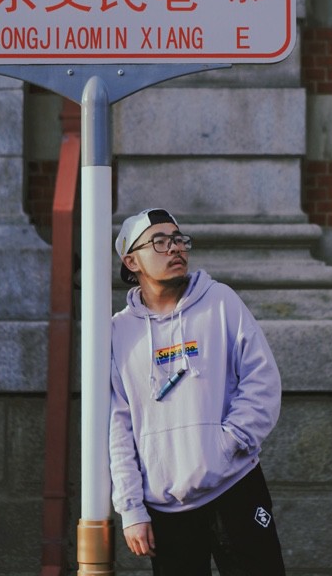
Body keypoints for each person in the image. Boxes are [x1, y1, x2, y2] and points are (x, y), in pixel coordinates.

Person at [109, 208, 286, 576]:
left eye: (179, 240)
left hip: (234, 486)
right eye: (160, 242)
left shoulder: (220, 301)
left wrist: (228, 442)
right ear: (131, 261)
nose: (175, 248)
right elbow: (118, 425)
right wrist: (131, 509)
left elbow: (262, 379)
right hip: (167, 506)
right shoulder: (119, 332)